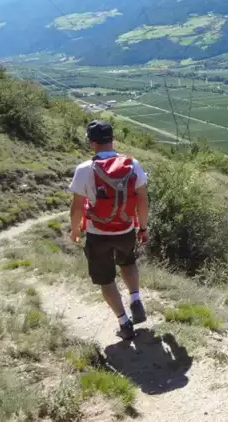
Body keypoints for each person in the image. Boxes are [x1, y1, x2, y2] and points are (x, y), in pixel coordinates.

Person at [68, 120, 149, 340]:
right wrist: (143, 228)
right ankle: (135, 298)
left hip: (98, 234)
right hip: (126, 229)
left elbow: (77, 207)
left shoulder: (84, 169)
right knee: (128, 262)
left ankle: (124, 323)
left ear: (91, 142)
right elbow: (142, 199)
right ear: (113, 139)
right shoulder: (133, 164)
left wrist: (75, 230)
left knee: (106, 280)